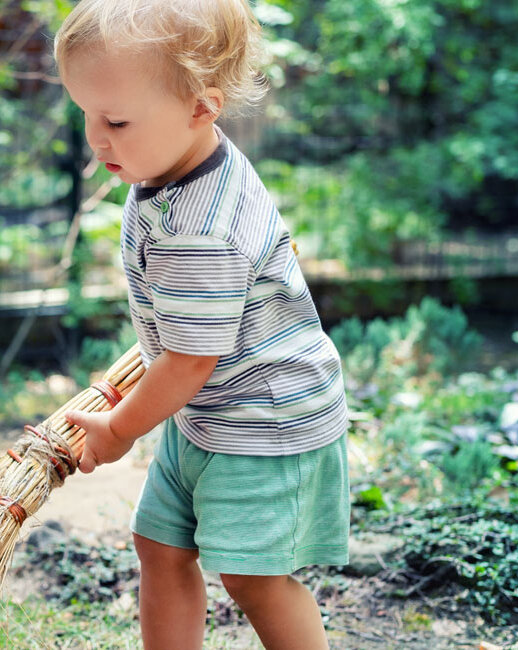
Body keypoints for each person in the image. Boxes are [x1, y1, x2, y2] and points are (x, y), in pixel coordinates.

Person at [55, 1, 350, 648]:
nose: (95, 138)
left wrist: (118, 429)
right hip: (210, 409)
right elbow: (188, 340)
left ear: (202, 107)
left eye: (116, 120)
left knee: (251, 575)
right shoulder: (175, 161)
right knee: (158, 544)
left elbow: (191, 361)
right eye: (86, 112)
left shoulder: (199, 232)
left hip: (264, 421)